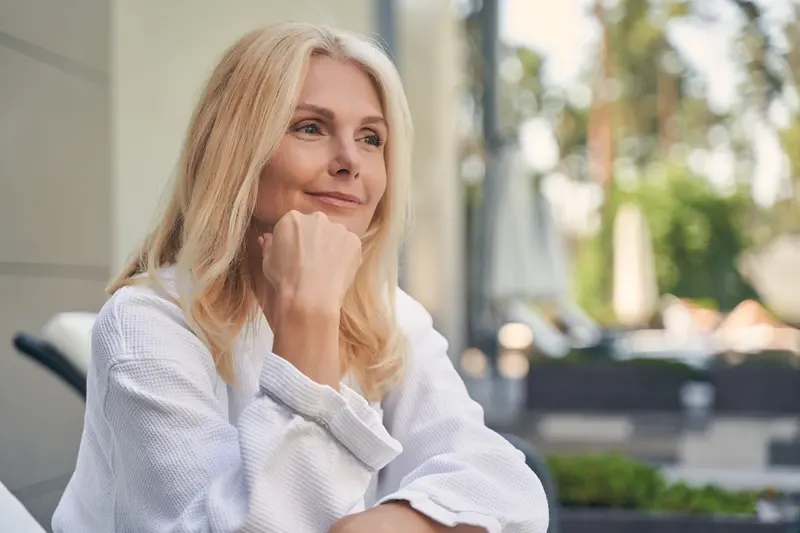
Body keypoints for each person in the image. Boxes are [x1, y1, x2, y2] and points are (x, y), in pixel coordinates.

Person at [51, 22, 548, 533]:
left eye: (371, 138)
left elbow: (505, 483)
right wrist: (308, 316)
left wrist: (381, 526)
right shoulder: (146, 323)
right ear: (236, 151)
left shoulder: (386, 315)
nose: (351, 161)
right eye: (310, 128)